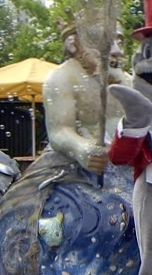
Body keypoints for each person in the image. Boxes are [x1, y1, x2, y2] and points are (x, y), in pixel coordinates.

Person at [41, 19, 132, 174]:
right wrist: (81, 148)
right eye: (105, 42)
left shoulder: (128, 81)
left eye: (119, 42)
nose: (117, 51)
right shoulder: (62, 78)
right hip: (72, 169)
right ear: (75, 45)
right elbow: (60, 130)